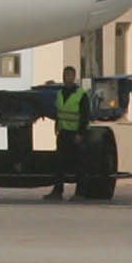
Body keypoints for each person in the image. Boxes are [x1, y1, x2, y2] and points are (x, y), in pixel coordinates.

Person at [44, 67, 89, 200]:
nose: (66, 77)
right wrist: (57, 126)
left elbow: (85, 115)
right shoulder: (60, 93)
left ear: (74, 76)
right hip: (63, 133)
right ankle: (57, 191)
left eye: (69, 75)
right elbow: (59, 112)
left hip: (76, 134)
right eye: (65, 75)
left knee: (79, 164)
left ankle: (80, 193)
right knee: (59, 163)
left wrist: (80, 133)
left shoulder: (81, 94)